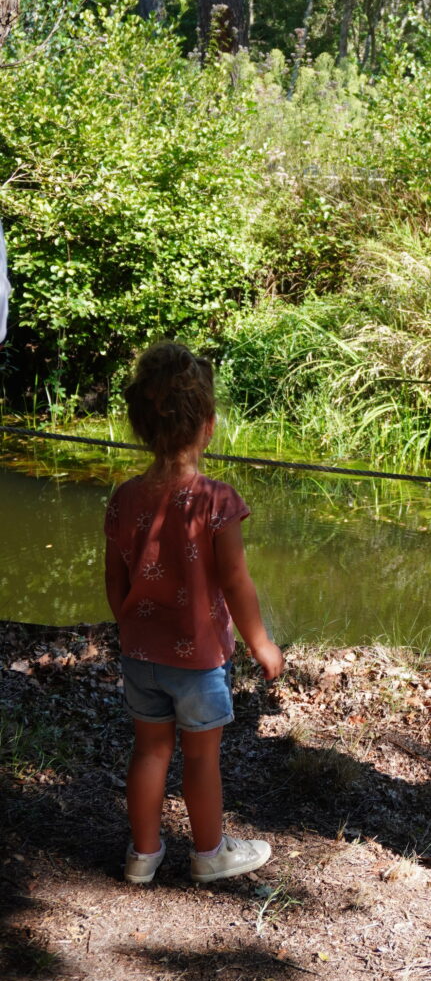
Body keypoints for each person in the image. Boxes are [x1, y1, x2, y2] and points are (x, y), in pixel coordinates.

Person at [104, 341, 285, 886]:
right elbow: (235, 582)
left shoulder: (124, 497)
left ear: (140, 425)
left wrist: (131, 626)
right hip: (200, 661)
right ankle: (209, 852)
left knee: (150, 749)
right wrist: (260, 643)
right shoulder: (216, 501)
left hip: (141, 654)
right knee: (202, 759)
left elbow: (116, 579)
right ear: (208, 425)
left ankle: (143, 854)